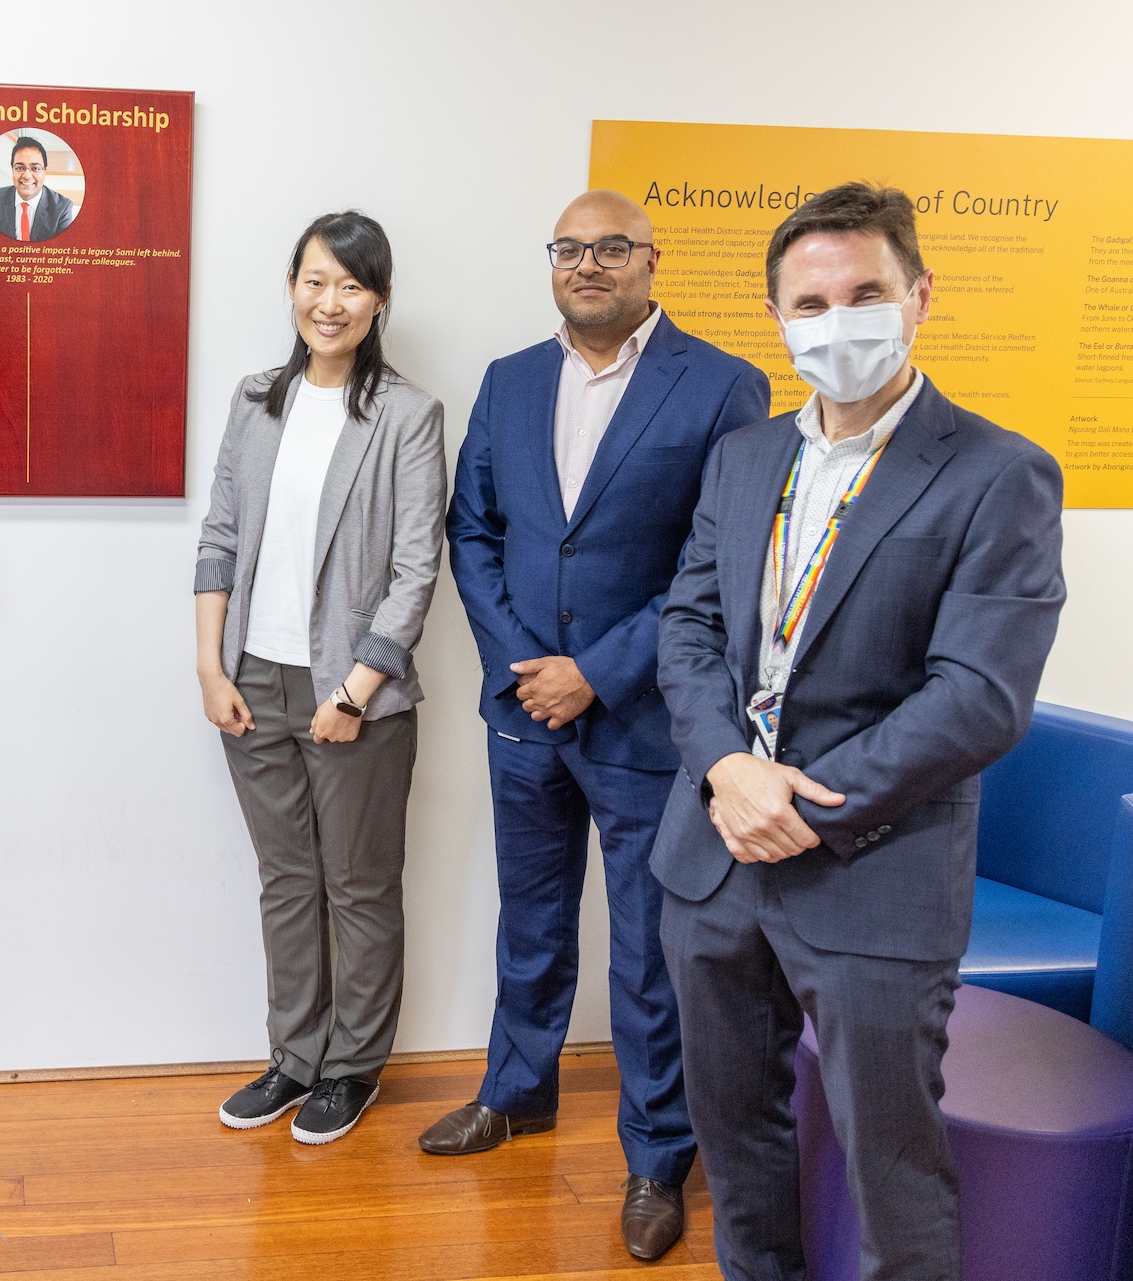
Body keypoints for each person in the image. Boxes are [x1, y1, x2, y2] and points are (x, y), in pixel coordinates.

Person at [654, 183, 1065, 1281]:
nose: (839, 322)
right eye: (812, 302)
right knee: (735, 1145)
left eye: (865, 293)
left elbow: (978, 695)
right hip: (712, 858)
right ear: (781, 321)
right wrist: (730, 773)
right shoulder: (745, 460)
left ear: (919, 296)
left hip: (876, 871)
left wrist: (798, 804)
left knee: (893, 1169)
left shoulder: (996, 472)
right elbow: (687, 627)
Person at [422, 189, 770, 1260]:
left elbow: (720, 564)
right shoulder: (511, 379)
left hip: (647, 725)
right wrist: (526, 668)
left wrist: (598, 672)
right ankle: (517, 1089)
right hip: (525, 711)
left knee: (648, 951)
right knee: (527, 922)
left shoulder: (722, 387)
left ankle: (658, 1156)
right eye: (569, 248)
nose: (588, 264)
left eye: (610, 247)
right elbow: (470, 529)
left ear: (650, 261)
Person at [196, 211, 445, 1145]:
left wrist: (355, 690)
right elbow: (219, 536)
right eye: (313, 280)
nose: (328, 302)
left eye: (349, 285)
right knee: (287, 879)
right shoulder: (257, 398)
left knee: (361, 884)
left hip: (357, 695)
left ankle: (352, 1066)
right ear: (291, 287)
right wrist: (210, 666)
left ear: (378, 300)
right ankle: (295, 1056)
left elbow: (417, 570)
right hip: (254, 682)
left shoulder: (409, 415)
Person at [0, 135, 76, 242]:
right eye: (20, 168)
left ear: (44, 172)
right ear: (12, 170)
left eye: (35, 168)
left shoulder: (62, 208)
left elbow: (63, 252)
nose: (27, 175)